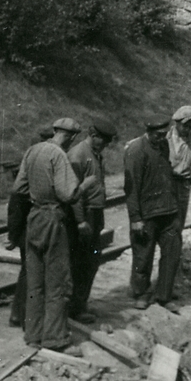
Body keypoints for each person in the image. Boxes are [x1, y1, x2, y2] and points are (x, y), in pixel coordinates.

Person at [12, 125, 97, 352]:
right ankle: (55, 339)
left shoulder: (33, 150)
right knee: (58, 282)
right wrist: (85, 185)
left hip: (34, 218)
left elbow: (18, 187)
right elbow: (68, 194)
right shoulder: (59, 155)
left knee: (35, 282)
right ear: (70, 136)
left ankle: (33, 335)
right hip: (52, 220)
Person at [123, 111, 182, 313]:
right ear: (149, 132)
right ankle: (141, 293)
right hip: (147, 214)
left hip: (168, 211)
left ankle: (164, 295)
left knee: (172, 252)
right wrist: (135, 218)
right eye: (158, 135)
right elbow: (131, 188)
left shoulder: (163, 145)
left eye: (164, 134)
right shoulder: (136, 151)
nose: (162, 138)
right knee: (143, 256)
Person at [67, 116, 117, 323]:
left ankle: (81, 303)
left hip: (95, 214)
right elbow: (73, 192)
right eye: (103, 140)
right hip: (84, 215)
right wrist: (80, 220)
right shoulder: (78, 155)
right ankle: (75, 308)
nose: (105, 145)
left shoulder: (95, 153)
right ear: (93, 135)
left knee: (92, 260)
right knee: (81, 262)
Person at [7, 125, 54, 328]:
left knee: (28, 272)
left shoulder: (32, 158)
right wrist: (14, 235)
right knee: (32, 273)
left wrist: (13, 234)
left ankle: (20, 314)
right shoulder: (40, 163)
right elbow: (17, 201)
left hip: (28, 227)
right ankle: (23, 315)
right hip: (33, 227)